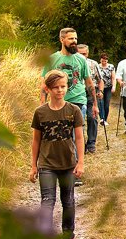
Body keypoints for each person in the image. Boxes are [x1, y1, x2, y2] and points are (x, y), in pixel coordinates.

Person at [31, 70, 85, 239]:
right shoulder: (40, 112)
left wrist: (80, 162)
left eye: (63, 87)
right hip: (46, 164)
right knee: (47, 200)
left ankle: (68, 237)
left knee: (68, 201)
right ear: (48, 89)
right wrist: (33, 166)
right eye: (56, 88)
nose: (60, 90)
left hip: (68, 163)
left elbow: (79, 138)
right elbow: (36, 140)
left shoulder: (73, 110)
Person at [41, 28, 96, 186]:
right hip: (57, 103)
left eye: (76, 38)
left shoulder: (81, 60)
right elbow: (44, 84)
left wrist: (95, 104)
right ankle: (61, 168)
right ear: (62, 40)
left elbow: (88, 82)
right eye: (71, 39)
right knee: (63, 137)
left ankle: (75, 172)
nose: (74, 42)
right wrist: (42, 104)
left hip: (78, 101)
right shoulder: (52, 60)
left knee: (75, 135)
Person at [76, 44, 100, 154]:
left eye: (84, 54)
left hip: (90, 93)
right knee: (79, 120)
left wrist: (100, 91)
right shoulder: (73, 62)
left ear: (88, 53)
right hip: (77, 94)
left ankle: (91, 143)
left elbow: (100, 80)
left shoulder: (93, 64)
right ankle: (80, 143)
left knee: (92, 117)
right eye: (80, 54)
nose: (82, 56)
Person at [97, 53, 116, 127]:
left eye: (105, 61)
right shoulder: (97, 66)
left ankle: (105, 119)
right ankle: (102, 118)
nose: (104, 62)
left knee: (106, 104)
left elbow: (113, 78)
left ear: (107, 60)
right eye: (102, 61)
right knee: (100, 103)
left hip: (108, 87)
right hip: (99, 87)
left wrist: (114, 86)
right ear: (100, 60)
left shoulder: (111, 67)